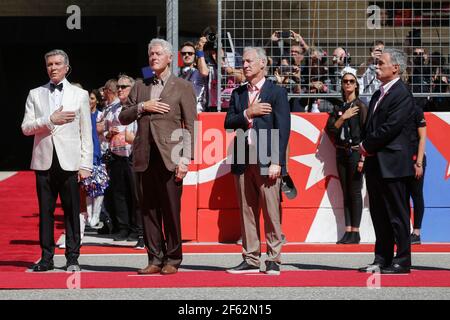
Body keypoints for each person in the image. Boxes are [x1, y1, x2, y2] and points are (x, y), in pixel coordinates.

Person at [119, 38, 197, 275]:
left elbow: (191, 125)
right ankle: (155, 258)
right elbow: (123, 117)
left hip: (170, 157)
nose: (153, 57)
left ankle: (173, 258)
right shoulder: (141, 86)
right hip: (144, 156)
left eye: (158, 54)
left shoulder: (182, 86)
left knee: (171, 210)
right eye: (150, 54)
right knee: (148, 210)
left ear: (170, 57)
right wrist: (143, 106)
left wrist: (185, 159)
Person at [21, 49, 93, 272]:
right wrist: (49, 120)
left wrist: (86, 164)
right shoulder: (35, 93)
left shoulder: (80, 95)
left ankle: (72, 258)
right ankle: (46, 258)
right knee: (45, 212)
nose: (53, 67)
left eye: (57, 64)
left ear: (66, 67)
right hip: (44, 161)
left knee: (71, 212)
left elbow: (86, 132)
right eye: (49, 64)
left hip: (70, 162)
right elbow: (26, 128)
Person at [224, 47, 290, 275]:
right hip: (243, 157)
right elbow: (229, 122)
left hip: (267, 158)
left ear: (263, 63)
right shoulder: (238, 93)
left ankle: (274, 259)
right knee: (247, 211)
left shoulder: (276, 92)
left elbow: (283, 130)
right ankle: (251, 258)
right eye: (243, 61)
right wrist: (247, 113)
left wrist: (278, 162)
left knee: (271, 211)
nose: (245, 65)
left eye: (250, 61)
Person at [358, 48, 415, 274]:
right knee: (379, 214)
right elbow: (370, 126)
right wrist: (365, 147)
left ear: (396, 68)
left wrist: (365, 145)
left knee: (397, 214)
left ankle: (402, 260)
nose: (376, 66)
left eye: (381, 63)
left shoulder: (401, 93)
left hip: (393, 164)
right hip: (375, 163)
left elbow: (391, 128)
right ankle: (382, 258)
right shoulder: (377, 93)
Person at [325, 69, 368, 244]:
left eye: (351, 81)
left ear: (356, 85)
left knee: (355, 191)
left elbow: (367, 132)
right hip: (341, 152)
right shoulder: (339, 108)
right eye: (345, 81)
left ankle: (356, 231)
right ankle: (348, 230)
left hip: (356, 152)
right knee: (345, 192)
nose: (348, 84)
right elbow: (331, 129)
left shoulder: (361, 107)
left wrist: (363, 157)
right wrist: (344, 117)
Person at [104, 75, 138, 242]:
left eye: (124, 86)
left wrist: (133, 137)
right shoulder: (112, 108)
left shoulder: (138, 106)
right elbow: (103, 130)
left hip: (133, 155)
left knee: (135, 194)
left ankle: (135, 229)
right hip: (116, 155)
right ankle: (122, 228)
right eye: (118, 86)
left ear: (132, 88)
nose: (120, 89)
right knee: (119, 193)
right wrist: (107, 133)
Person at [408, 105, 427, 245]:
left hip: (415, 159)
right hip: (400, 160)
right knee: (401, 197)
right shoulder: (395, 108)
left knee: (416, 195)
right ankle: (404, 231)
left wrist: (419, 163)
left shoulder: (416, 110)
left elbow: (422, 137)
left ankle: (416, 232)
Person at [179, 39, 209, 113]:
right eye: (184, 53)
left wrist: (200, 51)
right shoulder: (176, 71)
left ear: (195, 55)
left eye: (190, 53)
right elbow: (150, 72)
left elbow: (205, 72)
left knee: (196, 125)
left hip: (197, 113)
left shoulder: (199, 71)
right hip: (180, 112)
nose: (187, 55)